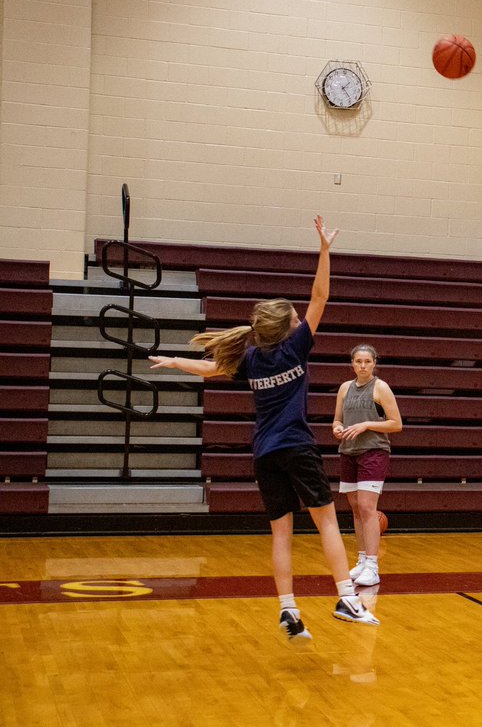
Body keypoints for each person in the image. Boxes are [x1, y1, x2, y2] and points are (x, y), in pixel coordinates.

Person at [149, 216, 379, 642]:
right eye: (295, 316)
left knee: (281, 534)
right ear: (289, 327)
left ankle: (288, 609)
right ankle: (347, 598)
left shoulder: (252, 359)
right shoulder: (294, 348)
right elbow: (321, 295)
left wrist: (175, 361)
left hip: (264, 454)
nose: (300, 317)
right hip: (297, 447)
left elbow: (211, 370)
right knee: (327, 522)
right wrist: (325, 250)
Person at [334, 343, 403, 587]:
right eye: (358, 361)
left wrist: (366, 425)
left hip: (373, 451)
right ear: (352, 364)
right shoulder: (345, 388)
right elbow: (337, 420)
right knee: (355, 508)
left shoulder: (381, 387)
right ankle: (362, 560)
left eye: (367, 361)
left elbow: (396, 424)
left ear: (374, 363)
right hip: (348, 451)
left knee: (366, 506)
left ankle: (373, 566)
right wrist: (337, 429)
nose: (363, 366)